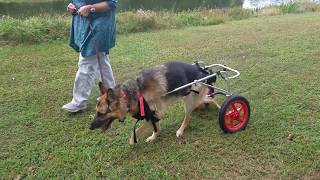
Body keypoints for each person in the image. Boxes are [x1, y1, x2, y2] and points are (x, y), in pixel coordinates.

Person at [62, 0, 117, 112]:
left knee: (86, 62)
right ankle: (110, 94)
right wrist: (72, 6)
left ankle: (79, 102)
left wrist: (90, 7)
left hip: (99, 25)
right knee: (101, 60)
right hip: (84, 24)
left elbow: (111, 3)